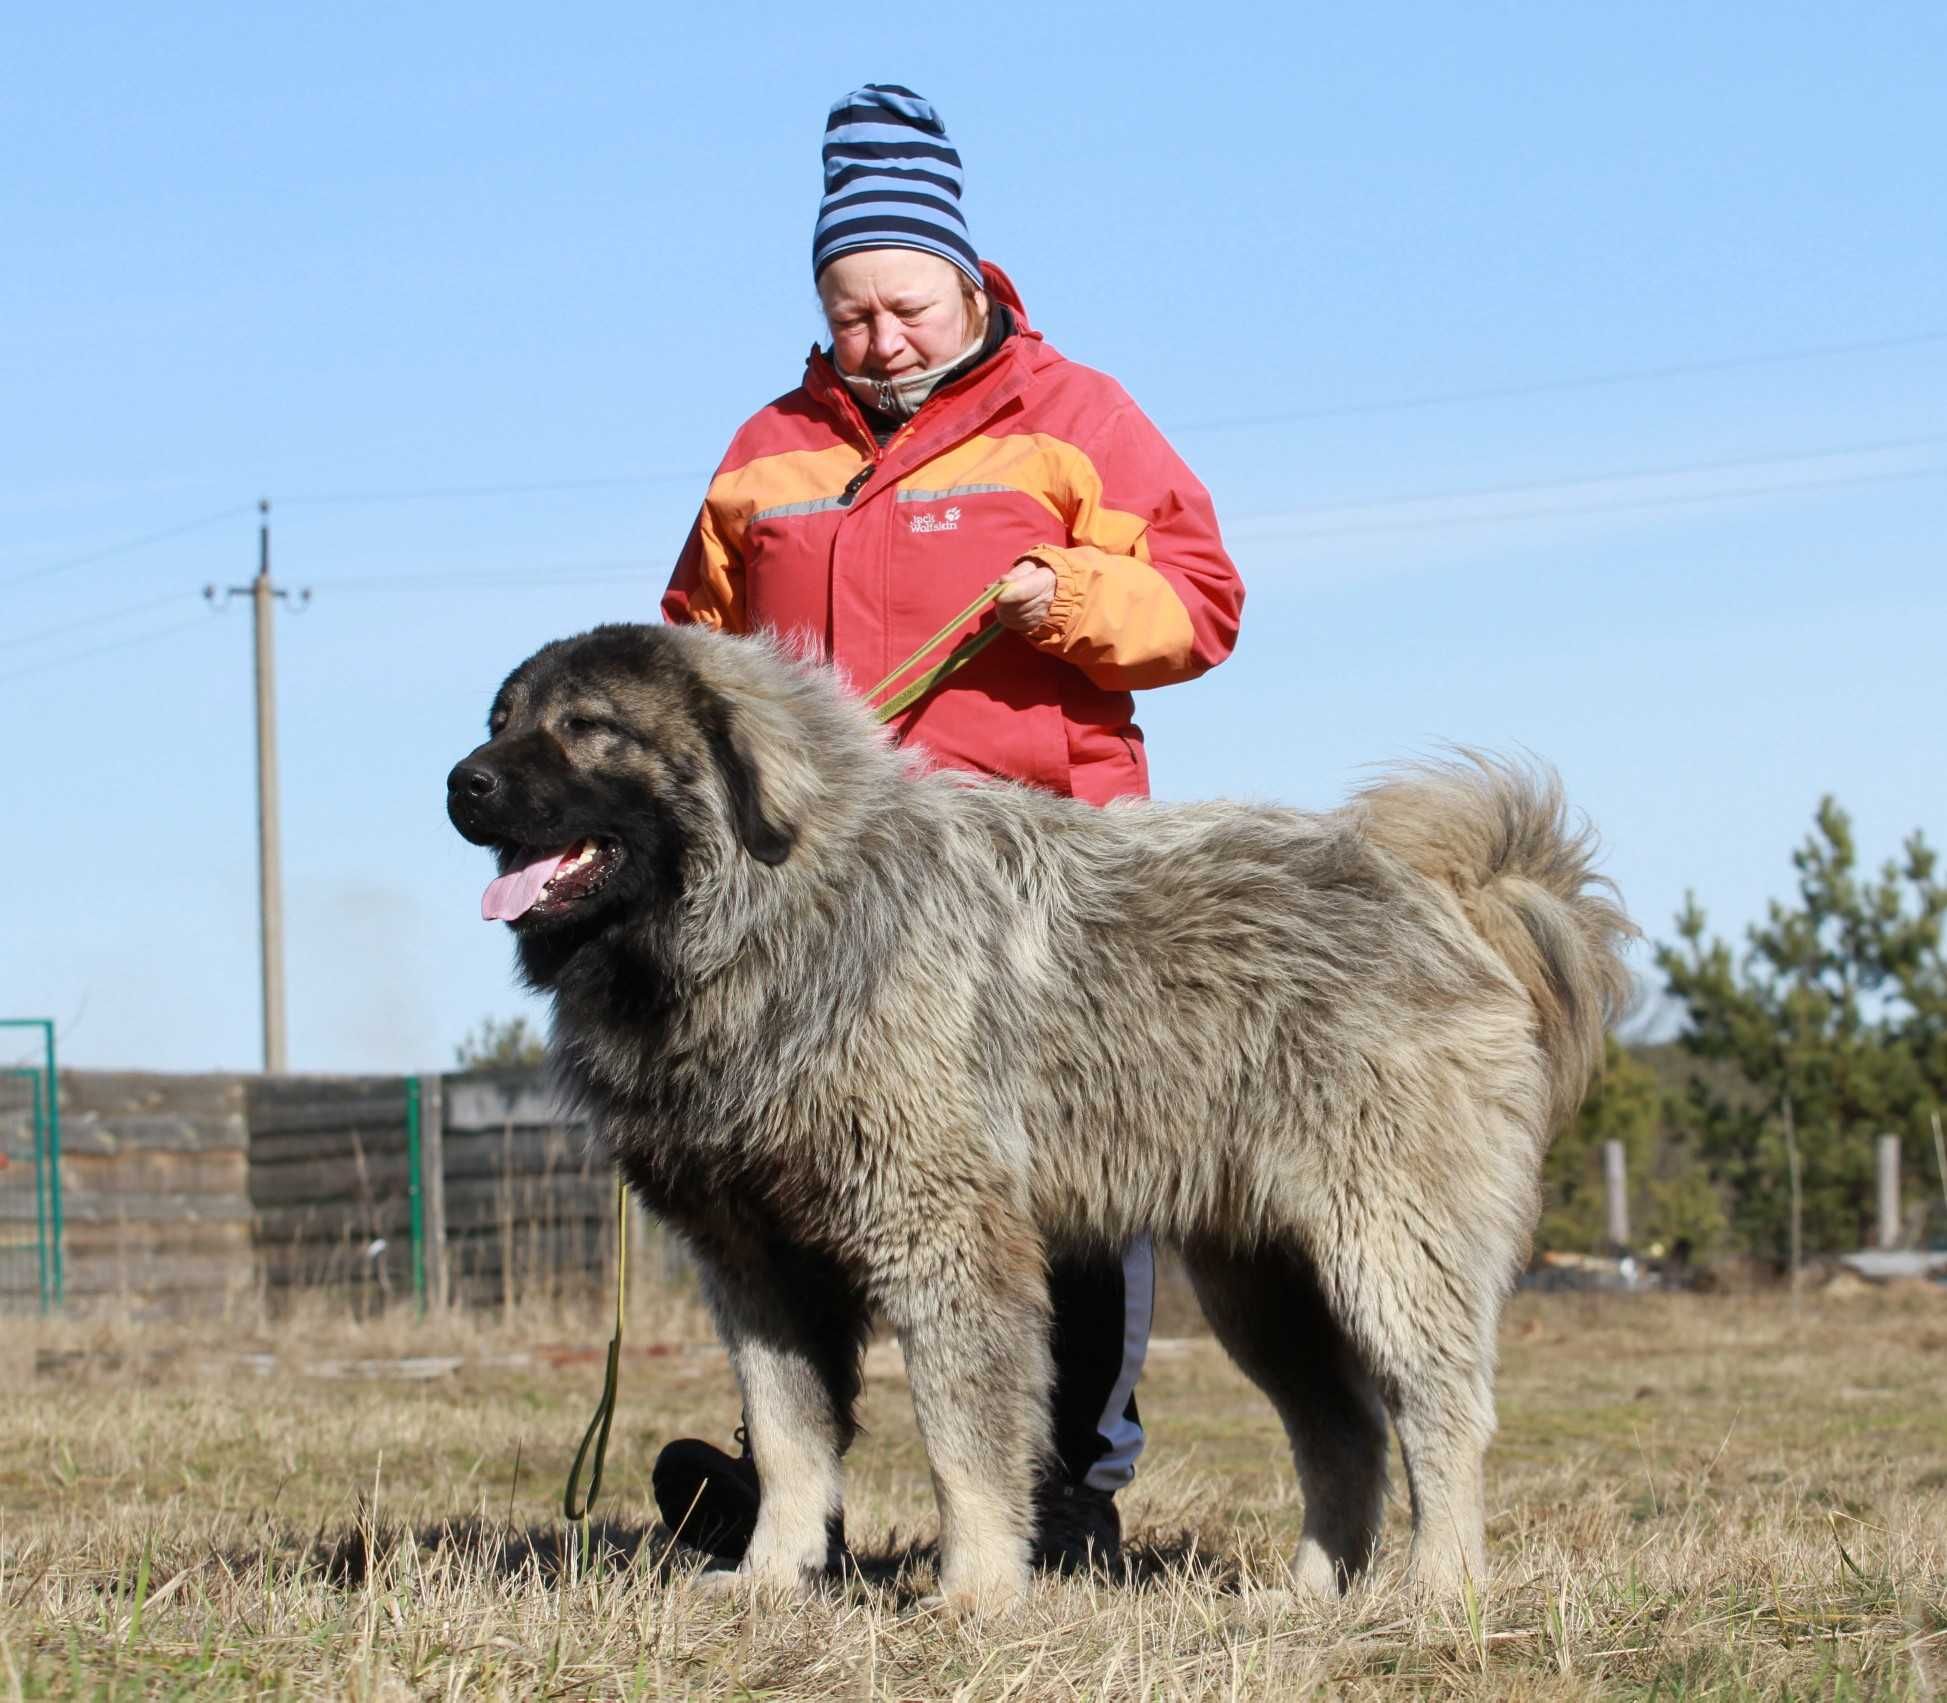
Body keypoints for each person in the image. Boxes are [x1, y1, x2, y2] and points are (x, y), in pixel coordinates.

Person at [654, 82, 1244, 1576]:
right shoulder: (765, 450)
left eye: (903, 302)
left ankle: (1068, 1496)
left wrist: (1083, 600)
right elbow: (689, 655)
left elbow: (1205, 601)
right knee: (801, 1179)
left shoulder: (1078, 418)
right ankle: (796, 1483)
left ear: (969, 281)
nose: (881, 338)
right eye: (848, 312)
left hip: (1042, 883)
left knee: (1070, 1183)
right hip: (824, 905)